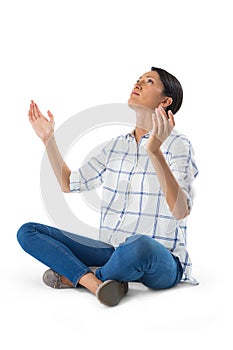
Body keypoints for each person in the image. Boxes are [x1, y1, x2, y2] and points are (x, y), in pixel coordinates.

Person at [17, 67, 198, 307]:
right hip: (114, 253)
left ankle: (81, 278)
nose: (139, 83)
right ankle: (98, 283)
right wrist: (48, 139)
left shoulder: (178, 145)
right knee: (28, 232)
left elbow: (180, 211)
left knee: (138, 245)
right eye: (139, 79)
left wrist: (154, 150)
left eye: (149, 81)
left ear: (165, 101)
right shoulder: (114, 147)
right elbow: (68, 183)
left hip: (161, 259)